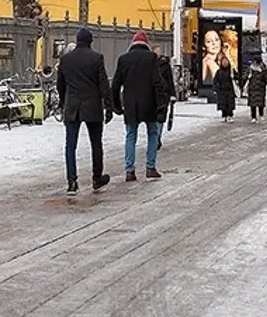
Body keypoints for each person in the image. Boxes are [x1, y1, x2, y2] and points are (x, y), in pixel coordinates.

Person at [57, 27, 112, 196]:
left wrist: (63, 101)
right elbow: (103, 84)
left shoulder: (65, 60)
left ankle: (72, 181)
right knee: (96, 143)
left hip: (72, 105)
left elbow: (61, 85)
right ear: (90, 41)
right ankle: (97, 178)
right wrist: (109, 106)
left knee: (70, 145)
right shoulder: (96, 58)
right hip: (92, 106)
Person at [111, 30, 170, 182]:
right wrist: (161, 105)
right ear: (146, 44)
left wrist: (116, 106)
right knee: (152, 133)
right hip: (149, 103)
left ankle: (129, 170)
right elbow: (158, 83)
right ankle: (150, 167)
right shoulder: (151, 58)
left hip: (130, 104)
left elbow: (116, 84)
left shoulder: (123, 59)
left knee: (131, 135)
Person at [153, 44, 177, 151]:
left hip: (163, 94)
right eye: (156, 51)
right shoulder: (149, 63)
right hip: (152, 95)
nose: (158, 52)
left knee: (160, 118)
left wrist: (172, 94)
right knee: (154, 118)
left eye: (159, 50)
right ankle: (155, 138)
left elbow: (170, 80)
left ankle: (157, 137)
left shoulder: (165, 64)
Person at [243, 56, 267, 121]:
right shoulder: (250, 69)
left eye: (255, 61)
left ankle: (261, 114)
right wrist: (244, 80)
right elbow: (245, 77)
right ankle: (253, 117)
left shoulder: (263, 69)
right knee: (252, 104)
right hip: (252, 88)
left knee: (260, 103)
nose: (254, 63)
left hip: (261, 88)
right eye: (253, 61)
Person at [213, 53, 238, 121]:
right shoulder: (218, 72)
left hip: (230, 90)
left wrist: (234, 78)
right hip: (222, 90)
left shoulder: (231, 71)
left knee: (230, 104)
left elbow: (237, 78)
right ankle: (224, 115)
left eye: (226, 62)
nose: (225, 63)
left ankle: (230, 115)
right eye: (223, 62)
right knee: (223, 104)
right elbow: (215, 80)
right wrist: (216, 88)